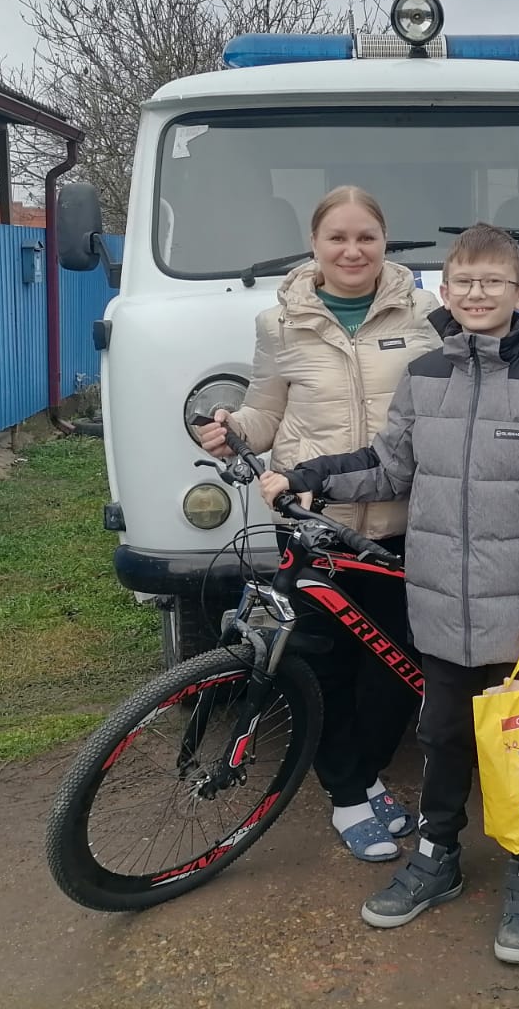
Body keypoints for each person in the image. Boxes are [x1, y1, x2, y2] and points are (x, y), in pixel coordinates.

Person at [256, 223, 519, 967]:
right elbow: (390, 467)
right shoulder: (426, 373)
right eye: (464, 282)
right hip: (442, 597)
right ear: (443, 291)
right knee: (443, 736)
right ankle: (438, 854)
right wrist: (312, 477)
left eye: (493, 282)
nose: (477, 294)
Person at [197, 185, 440, 863]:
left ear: (384, 242)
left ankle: (365, 773)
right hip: (311, 522)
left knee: (398, 665)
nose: (352, 250)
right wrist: (230, 428)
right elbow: (266, 414)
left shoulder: (427, 314)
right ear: (315, 244)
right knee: (322, 662)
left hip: (403, 518)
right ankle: (348, 794)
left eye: (366, 237)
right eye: (338, 237)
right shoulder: (279, 324)